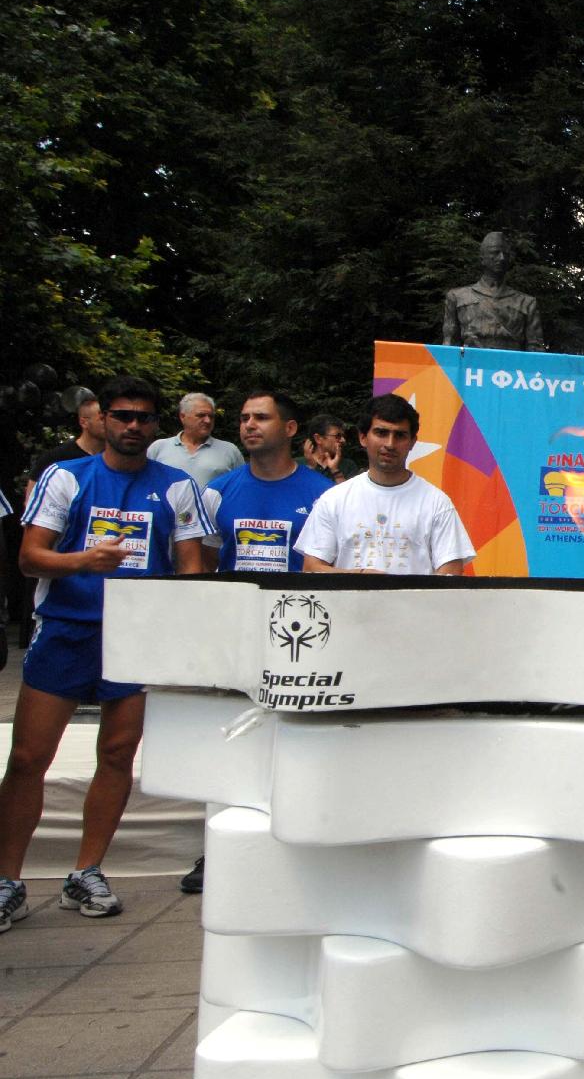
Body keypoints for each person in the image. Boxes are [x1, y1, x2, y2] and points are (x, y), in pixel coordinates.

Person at [0, 376, 211, 932]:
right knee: (27, 759)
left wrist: (180, 622)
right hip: (69, 629)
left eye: (143, 417)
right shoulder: (67, 476)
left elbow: (191, 565)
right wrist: (83, 563)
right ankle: (8, 879)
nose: (132, 426)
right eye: (122, 416)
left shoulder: (176, 486)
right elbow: (29, 557)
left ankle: (86, 871)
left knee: (117, 755)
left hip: (138, 638)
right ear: (102, 420)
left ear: (156, 425)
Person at [176, 390, 334, 895]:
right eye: (243, 418)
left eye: (261, 418)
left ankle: (295, 836)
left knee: (295, 739)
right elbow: (198, 562)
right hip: (234, 638)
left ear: (290, 429)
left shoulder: (324, 493)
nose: (248, 425)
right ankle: (217, 847)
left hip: (302, 638)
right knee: (228, 741)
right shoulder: (219, 490)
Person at [296, 395, 474, 575]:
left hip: (415, 604)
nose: (390, 444)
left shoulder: (437, 503)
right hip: (348, 604)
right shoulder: (333, 499)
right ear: (363, 437)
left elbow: (451, 573)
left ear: (412, 441)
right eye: (381, 433)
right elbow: (311, 569)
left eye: (400, 435)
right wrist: (362, 577)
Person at [442, 231, 545, 351]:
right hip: (472, 366)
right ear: (482, 258)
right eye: (495, 253)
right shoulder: (457, 297)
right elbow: (449, 347)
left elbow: (536, 351)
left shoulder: (526, 303)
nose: (501, 258)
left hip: (511, 367)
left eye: (505, 254)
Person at [21, 389, 103, 512]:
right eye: (102, 419)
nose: (109, 423)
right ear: (84, 422)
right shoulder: (55, 458)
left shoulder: (118, 459)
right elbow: (31, 504)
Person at [147, 392, 245, 486]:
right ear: (182, 416)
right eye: (201, 415)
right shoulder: (159, 448)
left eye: (211, 416)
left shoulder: (229, 451)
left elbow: (242, 487)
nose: (207, 420)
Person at [299, 415, 359, 485]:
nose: (343, 440)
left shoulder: (348, 465)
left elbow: (349, 495)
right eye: (338, 436)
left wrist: (335, 471)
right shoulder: (297, 464)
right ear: (318, 438)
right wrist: (311, 467)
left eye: (343, 436)